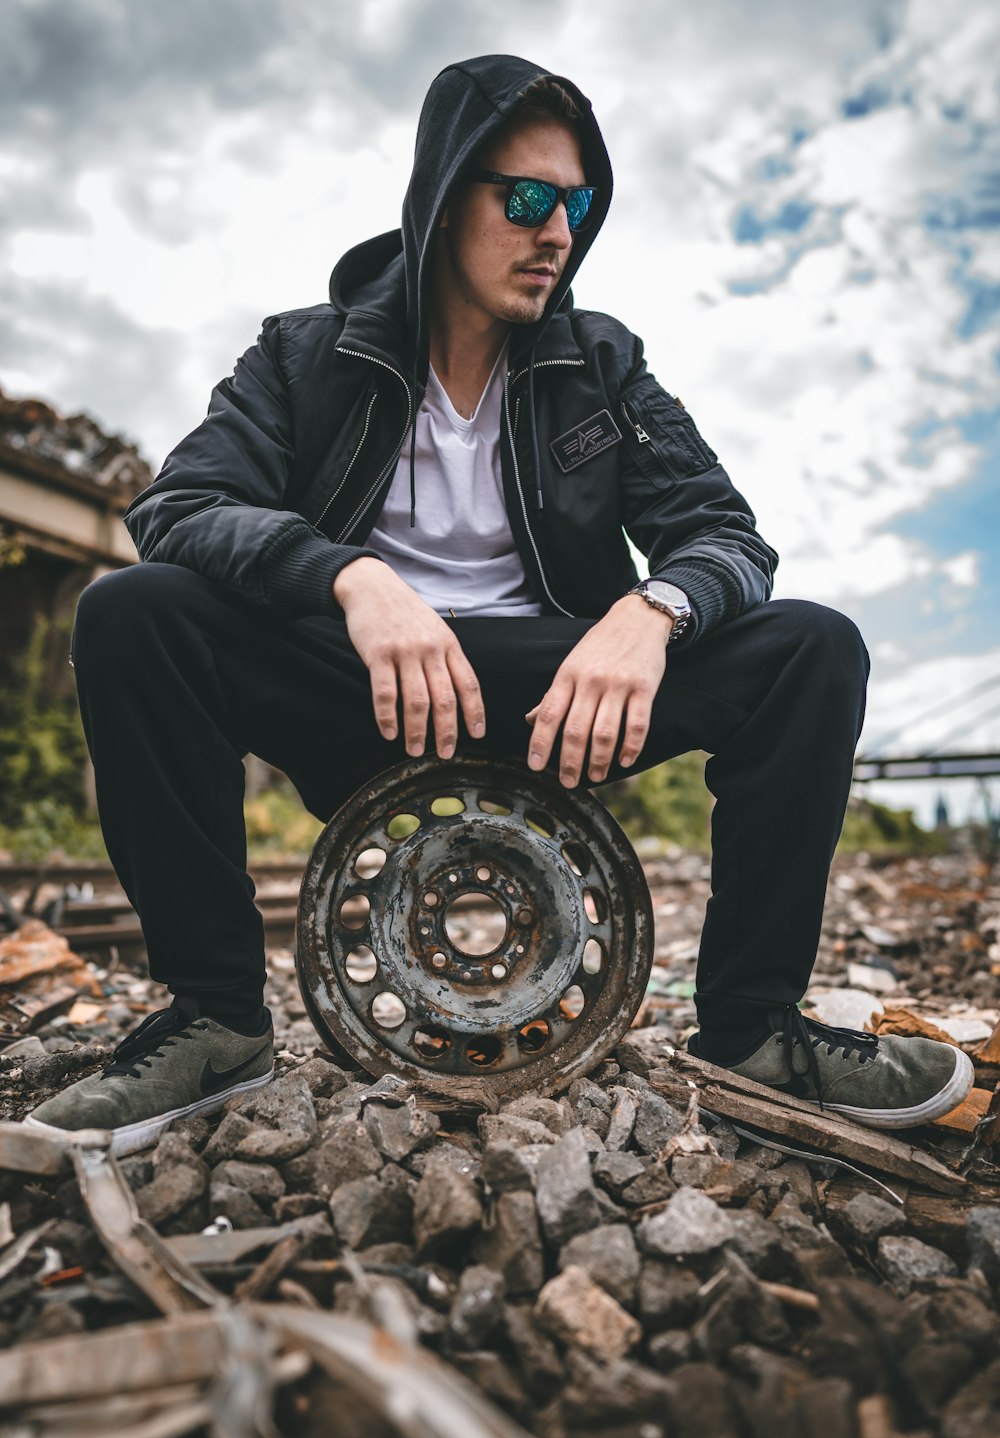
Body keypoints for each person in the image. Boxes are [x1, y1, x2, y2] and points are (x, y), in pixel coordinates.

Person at [26, 55, 972, 1153]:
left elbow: (726, 537)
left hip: (556, 696)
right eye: (526, 199)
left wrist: (651, 610)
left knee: (812, 647)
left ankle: (752, 1031)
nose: (558, 231)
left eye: (576, 204)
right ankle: (214, 1023)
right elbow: (181, 506)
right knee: (135, 611)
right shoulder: (301, 353)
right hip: (357, 682)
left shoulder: (601, 361)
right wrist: (350, 576)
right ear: (440, 197)